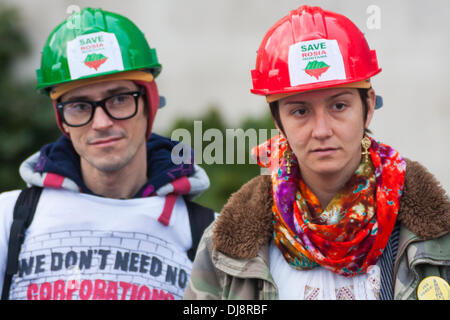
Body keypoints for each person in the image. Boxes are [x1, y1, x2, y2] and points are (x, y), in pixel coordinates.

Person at [184, 5, 449, 300]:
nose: (321, 130)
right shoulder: (224, 246)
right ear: (277, 120)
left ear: (369, 106)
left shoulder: (437, 237)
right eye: (300, 111)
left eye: (339, 106)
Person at [0, 7, 214, 300]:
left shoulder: (210, 236)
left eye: (120, 99)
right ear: (61, 119)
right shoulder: (9, 220)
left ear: (149, 104)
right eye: (79, 105)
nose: (102, 123)